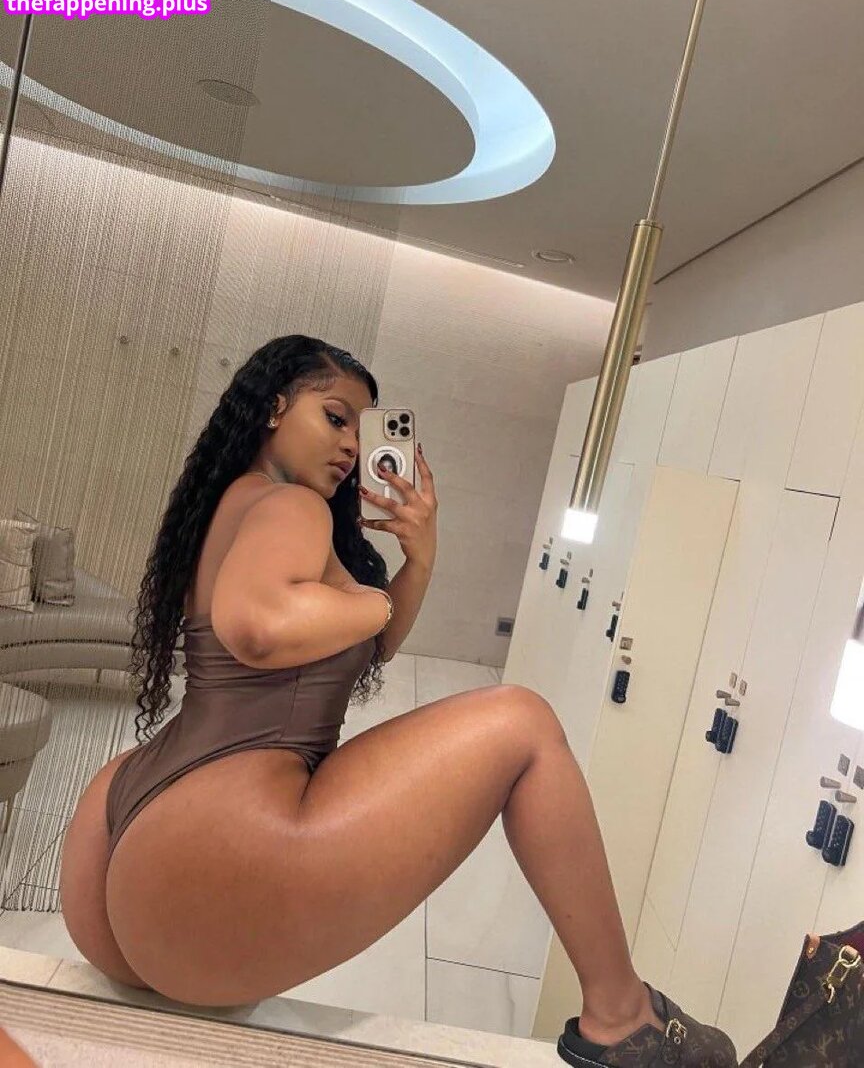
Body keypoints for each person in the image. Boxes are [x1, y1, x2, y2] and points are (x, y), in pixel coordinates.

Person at [58, 335, 736, 1065]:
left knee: (514, 721)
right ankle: (622, 1015)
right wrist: (375, 603)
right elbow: (256, 626)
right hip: (217, 833)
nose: (352, 444)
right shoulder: (291, 506)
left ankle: (623, 1013)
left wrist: (420, 559)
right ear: (274, 408)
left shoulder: (237, 501)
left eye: (362, 427)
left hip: (131, 825)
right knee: (525, 724)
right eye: (335, 417)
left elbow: (359, 645)